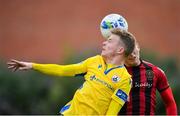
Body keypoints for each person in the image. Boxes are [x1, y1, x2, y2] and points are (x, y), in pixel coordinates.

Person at [7, 29, 136, 115]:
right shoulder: (94, 61)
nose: (103, 43)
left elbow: (111, 113)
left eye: (109, 41)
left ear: (120, 50)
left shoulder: (125, 79)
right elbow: (62, 70)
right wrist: (33, 65)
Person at [118, 42, 177, 115]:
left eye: (133, 50)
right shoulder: (114, 73)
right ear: (120, 53)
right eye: (128, 53)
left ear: (138, 47)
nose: (132, 55)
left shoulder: (156, 71)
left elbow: (170, 102)